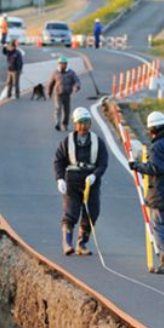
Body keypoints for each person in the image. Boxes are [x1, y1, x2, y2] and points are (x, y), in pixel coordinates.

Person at [129, 111, 164, 275]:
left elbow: (156, 168)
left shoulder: (157, 147)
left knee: (161, 228)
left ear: (151, 130)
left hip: (160, 194)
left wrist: (137, 166)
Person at [54, 107, 109, 256]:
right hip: (72, 182)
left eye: (86, 123)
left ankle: (82, 243)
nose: (83, 127)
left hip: (91, 184)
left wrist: (95, 176)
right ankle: (67, 243)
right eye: (80, 123)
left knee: (92, 213)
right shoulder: (67, 142)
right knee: (71, 213)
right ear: (75, 124)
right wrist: (60, 179)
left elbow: (103, 163)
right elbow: (58, 161)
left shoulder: (98, 142)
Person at [46, 56, 81, 132]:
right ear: (58, 64)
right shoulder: (55, 72)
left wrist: (76, 87)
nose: (62, 65)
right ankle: (57, 123)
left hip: (67, 94)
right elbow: (50, 83)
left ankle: (64, 124)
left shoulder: (71, 72)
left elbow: (77, 81)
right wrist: (49, 93)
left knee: (66, 110)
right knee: (58, 108)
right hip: (58, 94)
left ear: (66, 64)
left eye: (64, 64)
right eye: (61, 64)